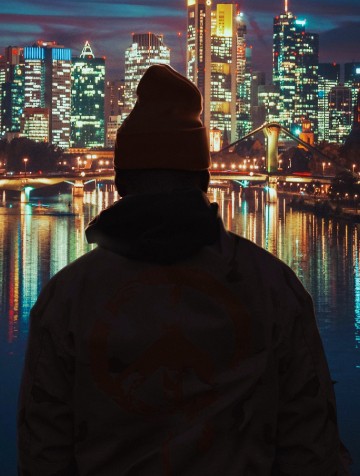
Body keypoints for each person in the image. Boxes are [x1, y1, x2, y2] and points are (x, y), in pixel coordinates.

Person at [18, 64, 351, 475]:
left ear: (120, 181)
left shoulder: (67, 297)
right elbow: (312, 448)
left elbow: (42, 452)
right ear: (204, 177)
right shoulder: (272, 286)